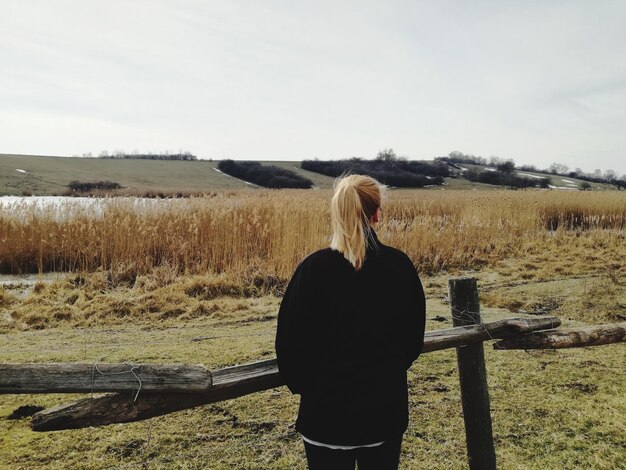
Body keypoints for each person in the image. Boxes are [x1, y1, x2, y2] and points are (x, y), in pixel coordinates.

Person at [275, 174, 426, 470]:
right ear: (377, 214)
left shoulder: (312, 270)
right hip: (384, 414)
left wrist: (315, 389)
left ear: (337, 213)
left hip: (325, 418)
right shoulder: (399, 267)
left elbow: (289, 347)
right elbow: (412, 342)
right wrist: (384, 376)